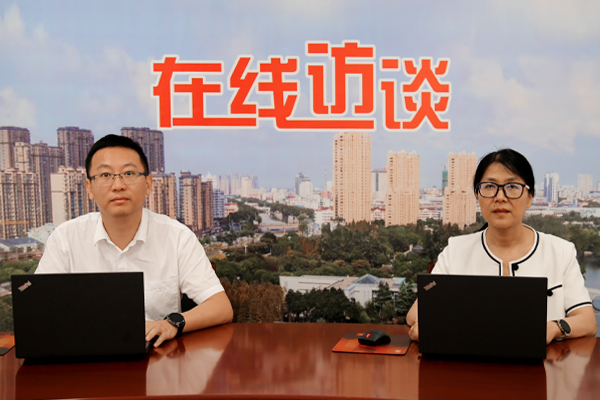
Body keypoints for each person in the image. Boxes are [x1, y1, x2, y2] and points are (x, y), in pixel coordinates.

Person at [36, 134, 233, 347]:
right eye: (105, 175)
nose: (118, 185)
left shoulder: (177, 237)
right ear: (89, 188)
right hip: (85, 358)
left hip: (158, 357)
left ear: (148, 184)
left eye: (129, 173)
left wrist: (172, 323)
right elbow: (39, 311)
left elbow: (221, 307)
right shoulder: (65, 239)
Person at [406, 149, 597, 344]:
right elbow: (414, 315)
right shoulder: (456, 250)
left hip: (544, 361)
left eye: (512, 186)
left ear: (529, 197)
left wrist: (554, 328)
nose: (500, 197)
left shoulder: (560, 251)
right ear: (478, 195)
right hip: (471, 361)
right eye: (489, 186)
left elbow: (588, 322)